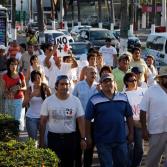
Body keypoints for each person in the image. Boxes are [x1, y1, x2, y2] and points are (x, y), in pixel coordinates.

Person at [85, 73, 134, 167]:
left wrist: (131, 133)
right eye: (105, 81)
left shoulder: (123, 97)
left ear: (114, 82)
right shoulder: (94, 99)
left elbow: (129, 116)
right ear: (101, 84)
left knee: (123, 164)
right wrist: (88, 137)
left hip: (120, 139)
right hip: (102, 141)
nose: (108, 83)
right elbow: (87, 119)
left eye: (110, 81)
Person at [39, 75, 87, 167]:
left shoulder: (75, 101)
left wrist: (83, 138)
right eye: (62, 84)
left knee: (69, 163)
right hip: (53, 138)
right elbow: (42, 122)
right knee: (54, 163)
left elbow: (81, 120)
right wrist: (41, 141)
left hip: (70, 138)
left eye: (67, 84)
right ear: (56, 86)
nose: (64, 86)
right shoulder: (48, 101)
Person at [140, 66, 167, 167]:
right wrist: (144, 129)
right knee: (152, 161)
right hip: (156, 131)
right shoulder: (151, 90)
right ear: (160, 78)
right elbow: (142, 111)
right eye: (166, 77)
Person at [73, 66, 98, 167]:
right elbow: (73, 100)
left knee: (89, 147)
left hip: (93, 121)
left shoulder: (98, 87)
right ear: (86, 74)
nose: (94, 75)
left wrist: (101, 92)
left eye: (95, 73)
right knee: (78, 147)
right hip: (79, 120)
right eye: (91, 73)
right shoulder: (79, 85)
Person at [123, 72, 146, 167]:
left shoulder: (144, 91)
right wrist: (133, 122)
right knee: (129, 147)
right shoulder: (123, 94)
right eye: (131, 81)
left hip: (140, 124)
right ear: (126, 82)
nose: (134, 82)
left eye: (135, 80)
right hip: (128, 124)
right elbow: (123, 112)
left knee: (140, 149)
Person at [24, 70, 51, 140]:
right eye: (35, 79)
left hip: (44, 117)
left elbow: (51, 101)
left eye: (39, 78)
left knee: (45, 141)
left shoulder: (45, 88)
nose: (37, 80)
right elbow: (23, 104)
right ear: (32, 80)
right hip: (31, 118)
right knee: (33, 141)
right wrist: (31, 96)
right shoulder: (29, 89)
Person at [3, 58, 26, 130]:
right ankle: (11, 137)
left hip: (19, 100)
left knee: (18, 119)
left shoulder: (20, 74)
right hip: (9, 100)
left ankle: (17, 136)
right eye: (12, 64)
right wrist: (8, 93)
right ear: (8, 65)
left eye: (15, 64)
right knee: (9, 119)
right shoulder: (5, 76)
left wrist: (18, 88)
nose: (13, 66)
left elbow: (25, 87)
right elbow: (4, 90)